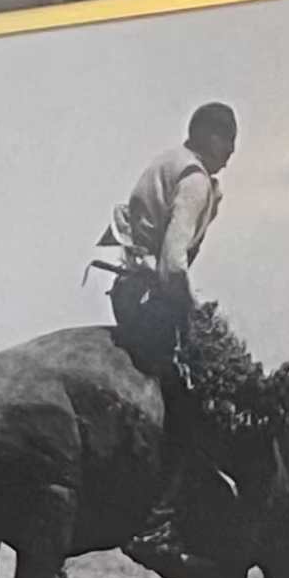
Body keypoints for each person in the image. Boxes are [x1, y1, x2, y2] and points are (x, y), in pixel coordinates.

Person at [98, 99, 235, 401]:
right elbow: (172, 266)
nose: (230, 152)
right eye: (227, 141)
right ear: (210, 137)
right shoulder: (194, 180)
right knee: (194, 394)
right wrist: (195, 315)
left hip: (127, 292)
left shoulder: (170, 160)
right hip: (152, 302)